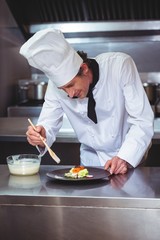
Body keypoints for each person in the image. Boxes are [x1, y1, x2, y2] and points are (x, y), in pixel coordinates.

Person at [19, 28, 154, 175]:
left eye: (71, 85)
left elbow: (142, 120)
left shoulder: (119, 66)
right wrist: (41, 135)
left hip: (128, 156)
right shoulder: (55, 86)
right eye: (63, 89)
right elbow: (47, 125)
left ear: (83, 69)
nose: (70, 95)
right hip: (90, 161)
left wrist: (125, 157)